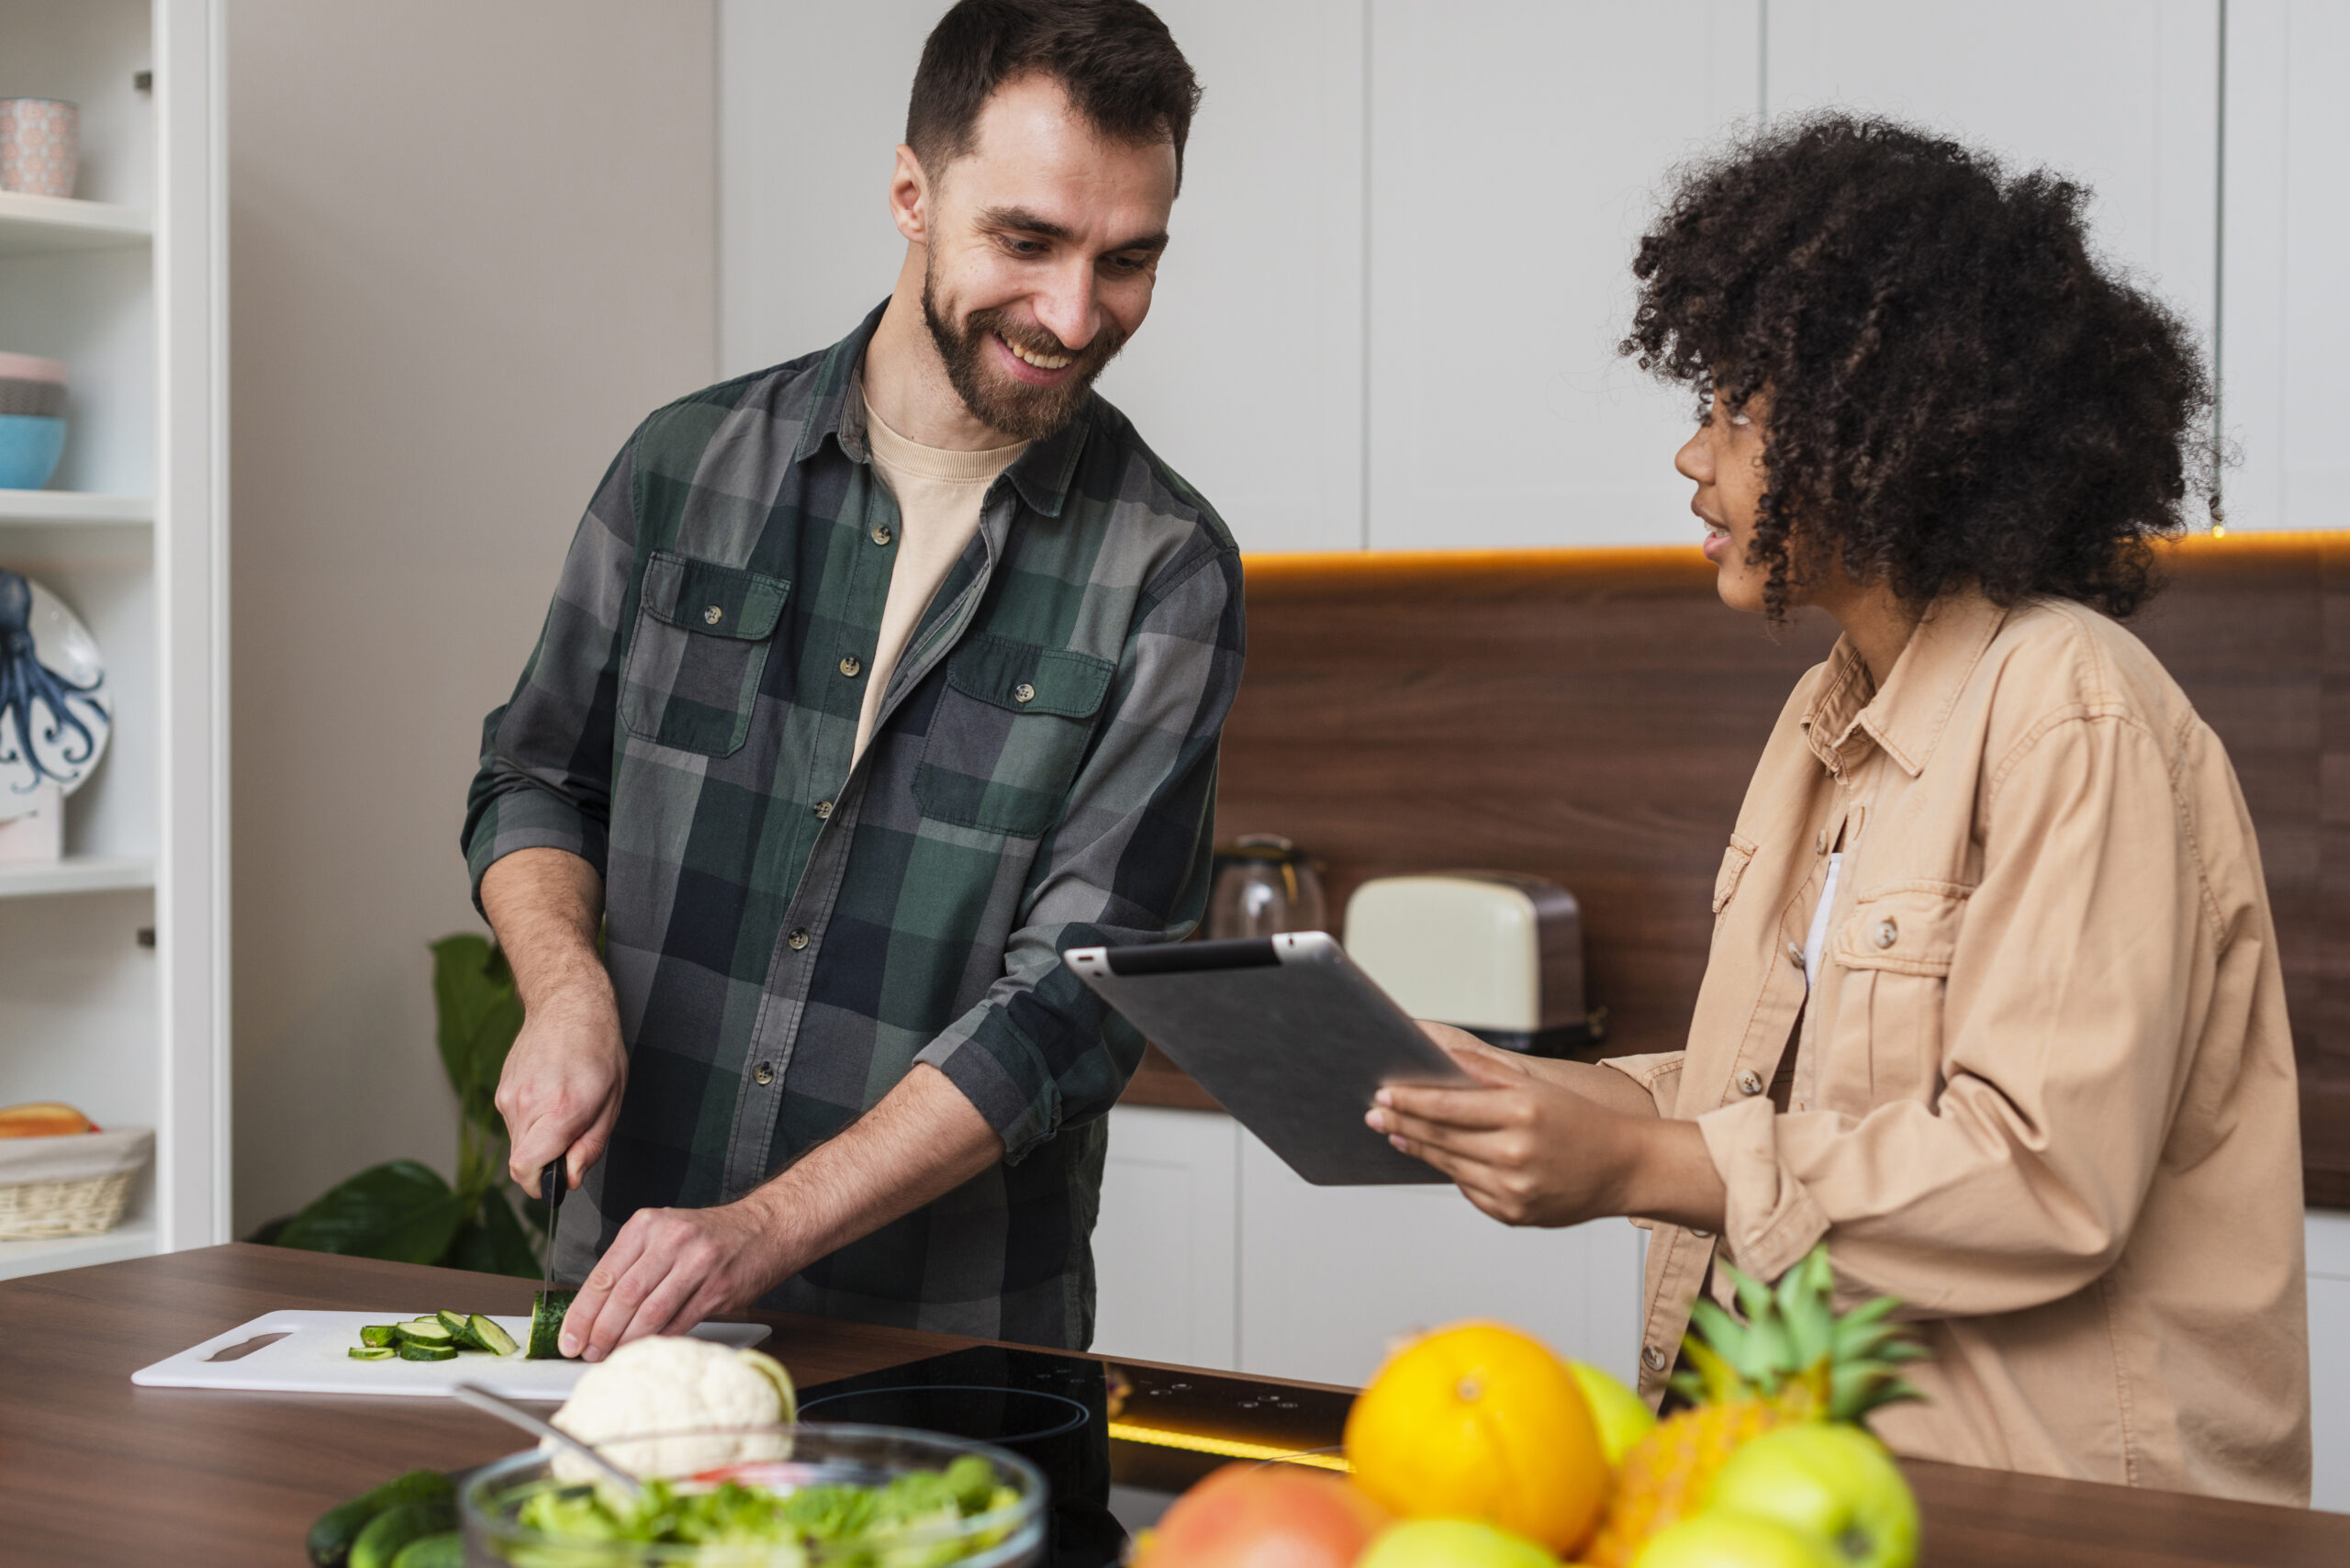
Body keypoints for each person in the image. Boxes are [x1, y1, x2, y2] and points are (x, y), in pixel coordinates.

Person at [1369, 116, 2310, 1502]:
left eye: (1739, 412)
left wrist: (1635, 1159)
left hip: (2046, 1509)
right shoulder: (1827, 718)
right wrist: (1527, 1096)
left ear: (1897, 427)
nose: (1694, 459)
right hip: (1802, 1481)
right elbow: (1784, 1097)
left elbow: (2043, 1177)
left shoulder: (2070, 704)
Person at [464, 0, 1242, 1361]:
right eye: (1027, 240)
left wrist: (764, 1227)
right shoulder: (684, 467)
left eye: (1128, 260)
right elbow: (537, 779)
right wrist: (565, 987)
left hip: (954, 1352)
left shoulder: (1168, 570)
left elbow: (1078, 998)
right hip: (620, 1323)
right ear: (910, 195)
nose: (1074, 313)